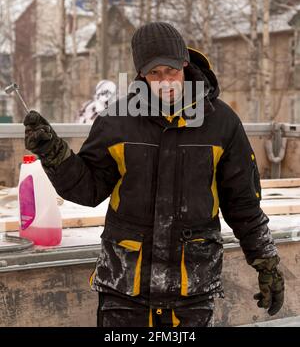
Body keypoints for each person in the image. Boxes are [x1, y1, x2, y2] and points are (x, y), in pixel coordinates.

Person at [23, 22, 284, 328]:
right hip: (124, 288)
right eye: (154, 73)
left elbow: (243, 205)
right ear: (141, 74)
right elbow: (88, 190)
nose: (164, 82)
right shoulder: (117, 121)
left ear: (184, 64)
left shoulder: (222, 123)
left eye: (171, 71)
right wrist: (55, 155)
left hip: (192, 291)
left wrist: (266, 263)